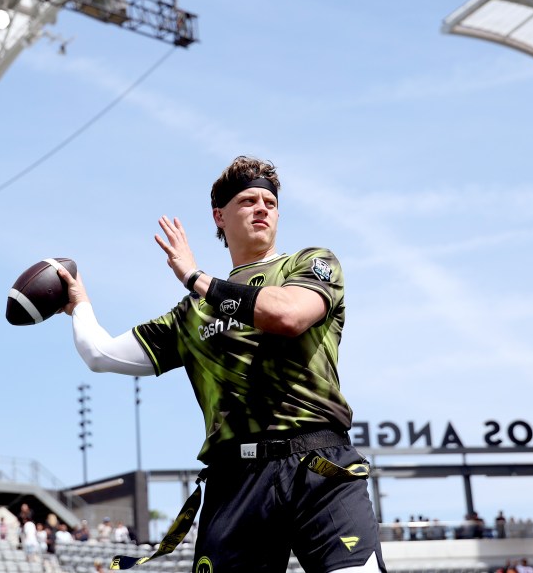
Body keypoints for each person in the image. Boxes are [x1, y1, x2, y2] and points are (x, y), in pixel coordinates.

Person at [58, 155, 385, 572]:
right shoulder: (190, 314)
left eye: (270, 201)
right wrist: (80, 305)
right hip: (235, 479)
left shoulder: (310, 263)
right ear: (220, 216)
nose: (263, 207)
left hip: (319, 465)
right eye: (249, 200)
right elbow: (99, 354)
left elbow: (288, 315)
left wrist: (196, 277)